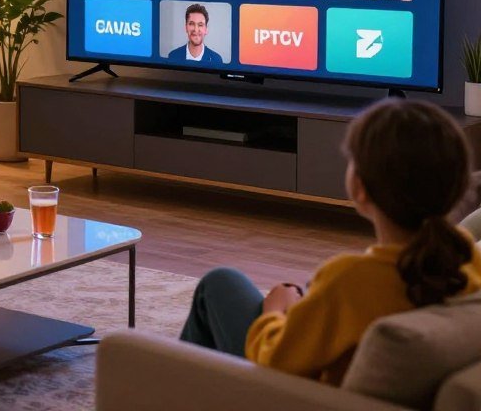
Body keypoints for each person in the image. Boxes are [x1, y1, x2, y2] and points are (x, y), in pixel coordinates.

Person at [179, 98, 481, 385]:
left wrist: (275, 310)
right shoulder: (468, 258)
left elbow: (274, 360)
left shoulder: (351, 279)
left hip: (286, 395)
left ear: (359, 188)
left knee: (219, 283)